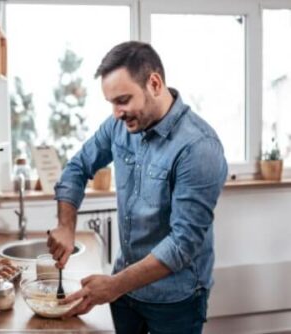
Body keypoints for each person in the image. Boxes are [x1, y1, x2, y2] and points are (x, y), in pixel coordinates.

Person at [46, 41, 228, 334]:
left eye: (123, 100)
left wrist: (113, 285)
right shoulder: (120, 125)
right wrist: (66, 226)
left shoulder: (199, 147)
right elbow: (77, 167)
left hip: (175, 299)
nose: (117, 112)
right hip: (125, 289)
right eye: (111, 103)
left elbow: (182, 244)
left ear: (154, 83)